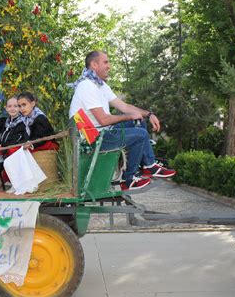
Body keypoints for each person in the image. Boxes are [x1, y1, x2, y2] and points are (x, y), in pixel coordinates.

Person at [69, 50, 176, 191]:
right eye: (105, 62)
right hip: (92, 140)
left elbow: (124, 106)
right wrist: (129, 116)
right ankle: (128, 179)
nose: (109, 66)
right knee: (141, 134)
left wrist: (148, 114)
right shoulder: (87, 86)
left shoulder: (100, 85)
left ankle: (147, 166)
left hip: (102, 133)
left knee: (139, 122)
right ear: (94, 64)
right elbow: (103, 120)